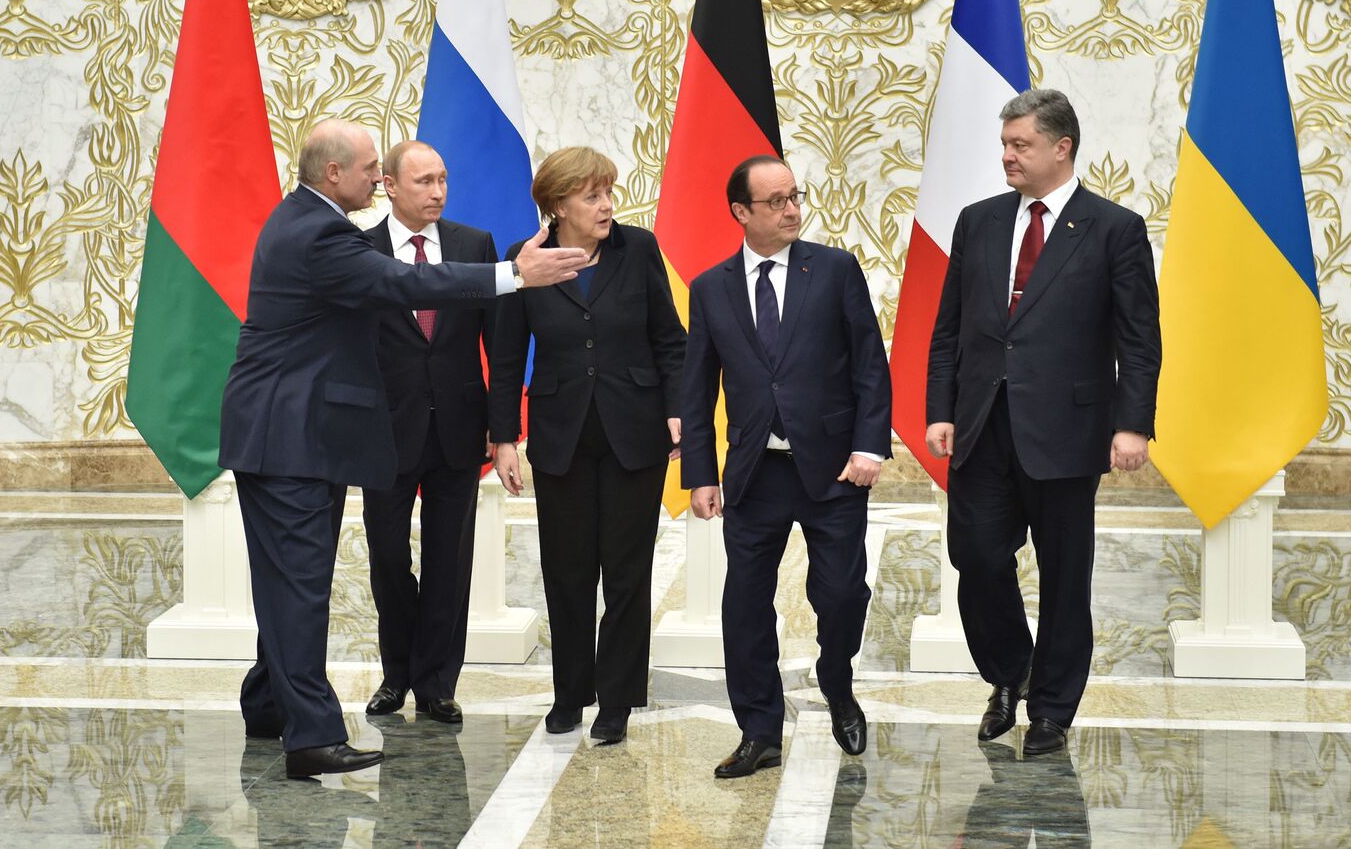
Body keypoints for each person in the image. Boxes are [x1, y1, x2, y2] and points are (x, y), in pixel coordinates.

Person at [217, 119, 587, 779]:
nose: (375, 180)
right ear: (334, 173)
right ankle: (312, 737)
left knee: (286, 584)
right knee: (300, 589)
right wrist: (512, 275)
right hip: (290, 437)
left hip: (292, 433)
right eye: (368, 170)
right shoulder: (321, 232)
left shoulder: (298, 217)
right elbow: (405, 284)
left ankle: (269, 703)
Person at [925, 88, 1161, 757]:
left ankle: (1053, 711)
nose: (1007, 156)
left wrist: (1132, 423)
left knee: (1063, 577)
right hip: (981, 425)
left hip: (1067, 429)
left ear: (1062, 148)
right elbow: (948, 330)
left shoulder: (1114, 228)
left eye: (1019, 145)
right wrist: (939, 409)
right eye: (1004, 144)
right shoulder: (978, 221)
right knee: (974, 556)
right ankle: (1012, 669)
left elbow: (1138, 339)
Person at [679, 155, 891, 779]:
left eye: (794, 196)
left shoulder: (833, 269)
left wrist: (870, 446)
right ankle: (759, 730)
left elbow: (868, 366)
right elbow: (696, 390)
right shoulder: (711, 287)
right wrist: (700, 473)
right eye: (774, 201)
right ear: (741, 212)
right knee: (744, 604)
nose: (791, 208)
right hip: (752, 473)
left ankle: (836, 678)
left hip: (833, 470)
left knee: (841, 592)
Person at [490, 146, 686, 744]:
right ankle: (570, 693)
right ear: (558, 205)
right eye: (591, 195)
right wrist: (504, 436)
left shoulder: (640, 248)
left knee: (627, 571)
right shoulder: (523, 260)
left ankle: (618, 699)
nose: (606, 205)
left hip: (636, 430)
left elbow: (670, 339)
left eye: (608, 192)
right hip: (560, 434)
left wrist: (680, 410)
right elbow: (503, 357)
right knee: (567, 570)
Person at [358, 140, 497, 724]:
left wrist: (505, 428)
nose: (438, 192)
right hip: (384, 434)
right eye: (424, 182)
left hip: (457, 429)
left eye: (443, 180)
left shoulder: (473, 246)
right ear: (389, 185)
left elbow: (501, 344)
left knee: (450, 559)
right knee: (388, 557)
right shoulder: (359, 251)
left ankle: (437, 682)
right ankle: (397, 673)